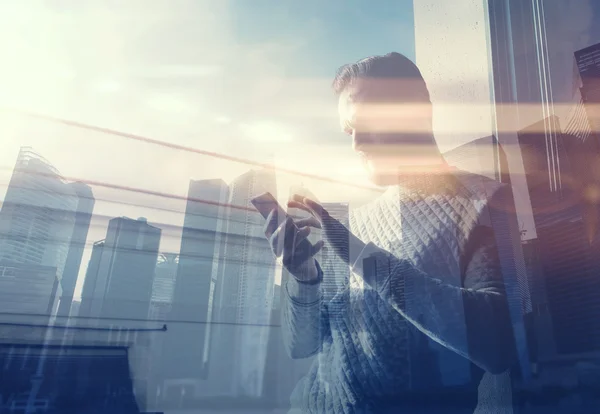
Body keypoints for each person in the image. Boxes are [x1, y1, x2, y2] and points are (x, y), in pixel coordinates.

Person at [262, 52, 521, 414]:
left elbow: (498, 346)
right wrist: (303, 278)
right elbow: (302, 347)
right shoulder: (355, 220)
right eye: (349, 131)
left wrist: (357, 254)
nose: (356, 144)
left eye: (367, 122)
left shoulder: (480, 200)